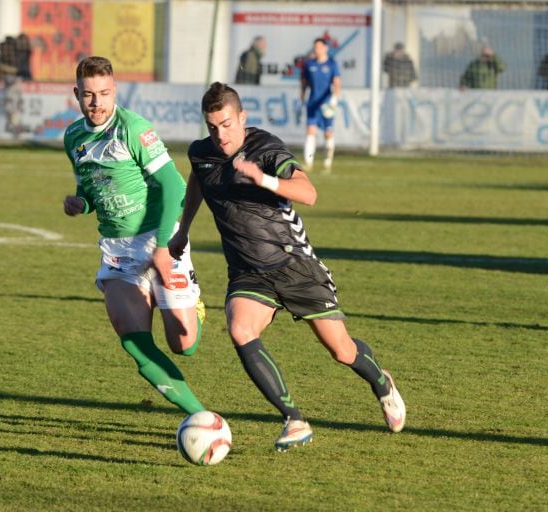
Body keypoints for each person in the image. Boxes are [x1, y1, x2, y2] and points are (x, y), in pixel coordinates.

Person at [168, 82, 406, 451]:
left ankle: (381, 382)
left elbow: (308, 192)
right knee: (240, 328)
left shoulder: (265, 148)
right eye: (213, 126)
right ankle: (294, 419)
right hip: (248, 270)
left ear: (242, 117)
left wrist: (263, 178)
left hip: (293, 264)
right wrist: (183, 231)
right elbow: (199, 180)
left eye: (227, 124)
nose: (220, 134)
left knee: (342, 351)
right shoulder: (202, 153)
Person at [62, 56, 206, 416]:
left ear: (115, 91)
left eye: (105, 94)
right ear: (77, 93)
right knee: (136, 344)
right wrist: (80, 202)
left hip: (157, 237)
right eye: (89, 95)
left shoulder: (133, 128)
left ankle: (194, 305)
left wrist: (161, 247)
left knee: (184, 345)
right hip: (117, 251)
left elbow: (174, 184)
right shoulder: (73, 136)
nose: (97, 103)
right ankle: (201, 416)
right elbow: (90, 187)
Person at [300, 38, 341, 172]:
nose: (316, 50)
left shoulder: (332, 64)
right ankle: (308, 162)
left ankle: (327, 163)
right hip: (312, 104)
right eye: (315, 47)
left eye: (319, 47)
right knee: (311, 132)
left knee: (328, 134)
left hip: (326, 105)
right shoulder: (309, 64)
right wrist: (301, 98)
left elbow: (336, 84)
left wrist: (334, 100)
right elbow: (304, 83)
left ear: (325, 48)